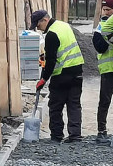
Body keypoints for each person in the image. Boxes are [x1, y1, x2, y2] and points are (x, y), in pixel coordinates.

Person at [31, 9, 85, 143]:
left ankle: (56, 136)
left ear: (45, 20)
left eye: (38, 25)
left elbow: (51, 60)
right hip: (77, 71)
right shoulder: (64, 25)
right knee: (74, 105)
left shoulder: (51, 34)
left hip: (62, 75)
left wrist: (43, 79)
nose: (38, 29)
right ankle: (75, 135)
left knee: (55, 105)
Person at [93, 0, 113, 141]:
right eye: (104, 9)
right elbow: (100, 47)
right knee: (104, 102)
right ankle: (101, 131)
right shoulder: (100, 28)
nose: (105, 12)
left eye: (109, 10)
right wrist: (109, 35)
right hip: (107, 71)